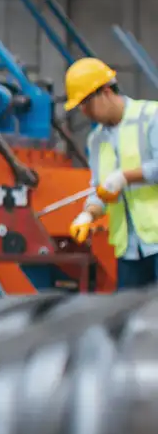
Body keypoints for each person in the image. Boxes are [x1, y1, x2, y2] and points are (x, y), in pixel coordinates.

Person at [65, 57, 158, 288]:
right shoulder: (96, 140)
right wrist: (88, 214)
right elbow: (100, 188)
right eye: (80, 106)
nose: (84, 111)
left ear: (106, 91)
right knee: (130, 310)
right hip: (129, 249)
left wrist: (123, 177)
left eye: (86, 103)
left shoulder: (151, 116)